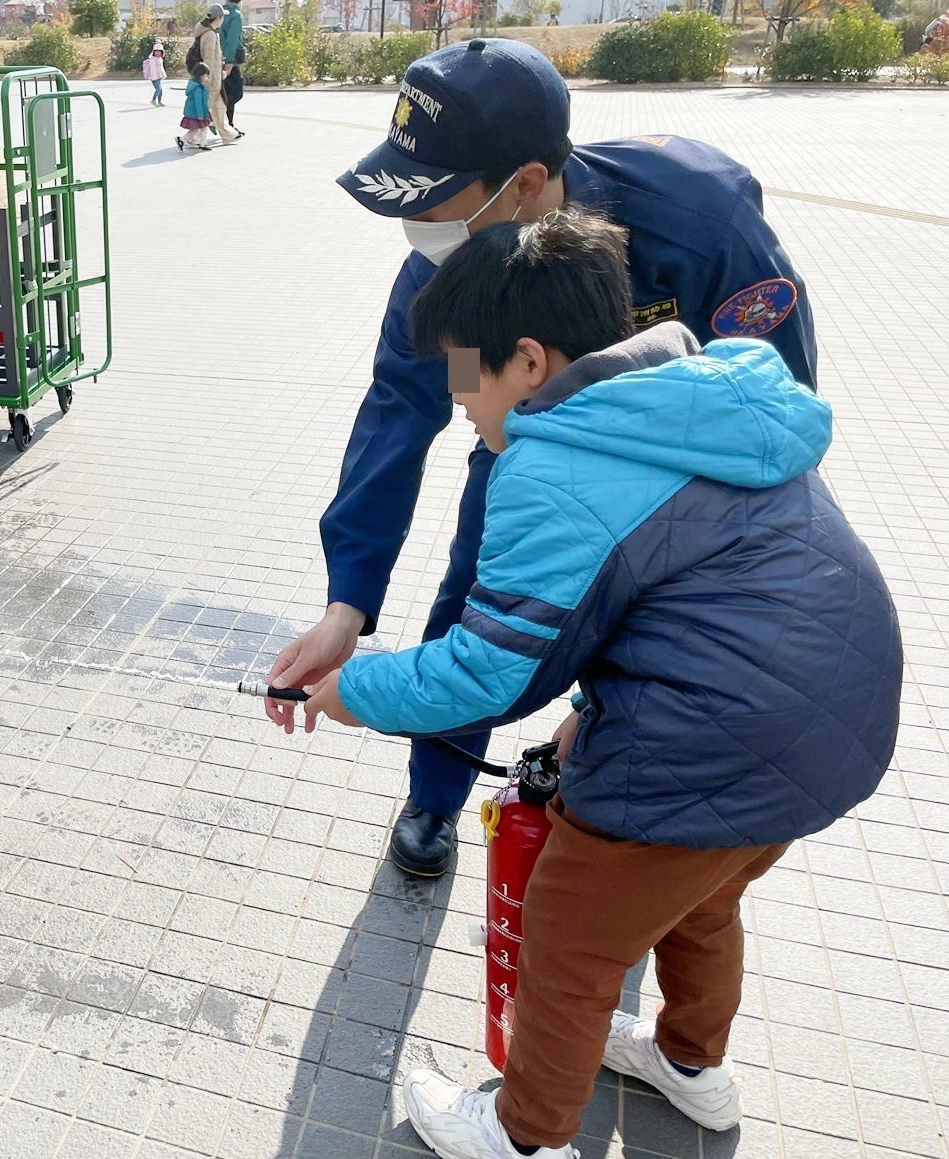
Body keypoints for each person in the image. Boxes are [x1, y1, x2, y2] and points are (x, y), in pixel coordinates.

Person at [300, 207, 901, 1159]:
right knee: (701, 897)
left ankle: (527, 1142)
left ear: (527, 362)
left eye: (465, 374)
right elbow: (670, 585)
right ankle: (691, 1065)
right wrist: (592, 703)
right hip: (832, 723)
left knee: (570, 938)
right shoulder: (699, 389)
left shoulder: (550, 460)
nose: (460, 405)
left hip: (712, 739)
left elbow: (489, 670)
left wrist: (351, 688)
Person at [263, 39, 817, 879]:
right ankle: (436, 794)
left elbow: (772, 398)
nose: (421, 231)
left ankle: (622, 805)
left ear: (526, 184)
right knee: (476, 599)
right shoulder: (447, 269)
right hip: (524, 434)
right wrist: (349, 604)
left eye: (440, 204)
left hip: (681, 470)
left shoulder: (695, 224)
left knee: (649, 624)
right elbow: (405, 411)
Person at [190, 4, 237, 146]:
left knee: (219, 107)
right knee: (206, 109)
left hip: (214, 77)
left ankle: (228, 134)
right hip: (211, 80)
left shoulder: (208, 33)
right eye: (224, 17)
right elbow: (208, 59)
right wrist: (209, 77)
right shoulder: (210, 35)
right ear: (220, 17)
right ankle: (190, 137)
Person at [218, 0, 245, 136]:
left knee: (227, 92)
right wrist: (229, 61)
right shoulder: (235, 15)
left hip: (217, 57)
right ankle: (215, 117)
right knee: (236, 92)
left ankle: (229, 126)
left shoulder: (220, 13)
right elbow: (233, 39)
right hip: (230, 60)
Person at [175, 63, 215, 152]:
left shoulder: (197, 86)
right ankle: (183, 140)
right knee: (200, 129)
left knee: (199, 129)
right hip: (197, 113)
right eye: (206, 75)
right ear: (201, 75)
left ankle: (201, 143)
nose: (207, 77)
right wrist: (201, 114)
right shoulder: (198, 88)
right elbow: (198, 103)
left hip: (195, 112)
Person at [144, 40, 168, 107]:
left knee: (160, 90)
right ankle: (153, 100)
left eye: (159, 51)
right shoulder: (152, 59)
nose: (158, 53)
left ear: (162, 52)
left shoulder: (160, 59)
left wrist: (162, 75)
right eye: (156, 51)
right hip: (154, 77)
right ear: (154, 52)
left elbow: (161, 68)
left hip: (159, 77)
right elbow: (153, 70)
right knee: (158, 89)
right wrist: (154, 78)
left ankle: (159, 102)